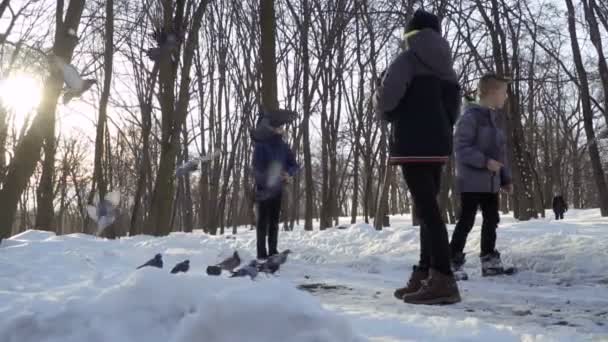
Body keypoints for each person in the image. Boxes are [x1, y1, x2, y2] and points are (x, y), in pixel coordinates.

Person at [374, 10, 461, 305]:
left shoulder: (406, 61)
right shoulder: (448, 68)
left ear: (411, 34)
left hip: (411, 144)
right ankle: (426, 273)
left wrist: (388, 112)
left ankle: (443, 277)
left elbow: (388, 99)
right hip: (437, 146)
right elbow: (454, 111)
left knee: (428, 211)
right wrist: (439, 129)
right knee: (429, 208)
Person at [449, 73, 513, 278]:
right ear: (491, 93)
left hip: (491, 183)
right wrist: (484, 162)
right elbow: (461, 147)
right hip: (471, 181)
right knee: (466, 221)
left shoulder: (494, 119)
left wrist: (505, 178)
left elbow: (499, 154)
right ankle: (451, 261)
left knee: (491, 219)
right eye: (503, 92)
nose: (505, 97)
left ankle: (489, 261)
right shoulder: (470, 117)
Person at [252, 109, 299, 260]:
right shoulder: (261, 145)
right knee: (262, 223)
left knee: (274, 222)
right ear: (270, 128)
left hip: (278, 190)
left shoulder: (284, 146)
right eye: (277, 127)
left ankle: (272, 250)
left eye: (281, 127)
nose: (281, 129)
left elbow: (294, 165)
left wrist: (288, 173)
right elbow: (257, 168)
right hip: (263, 189)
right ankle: (261, 253)